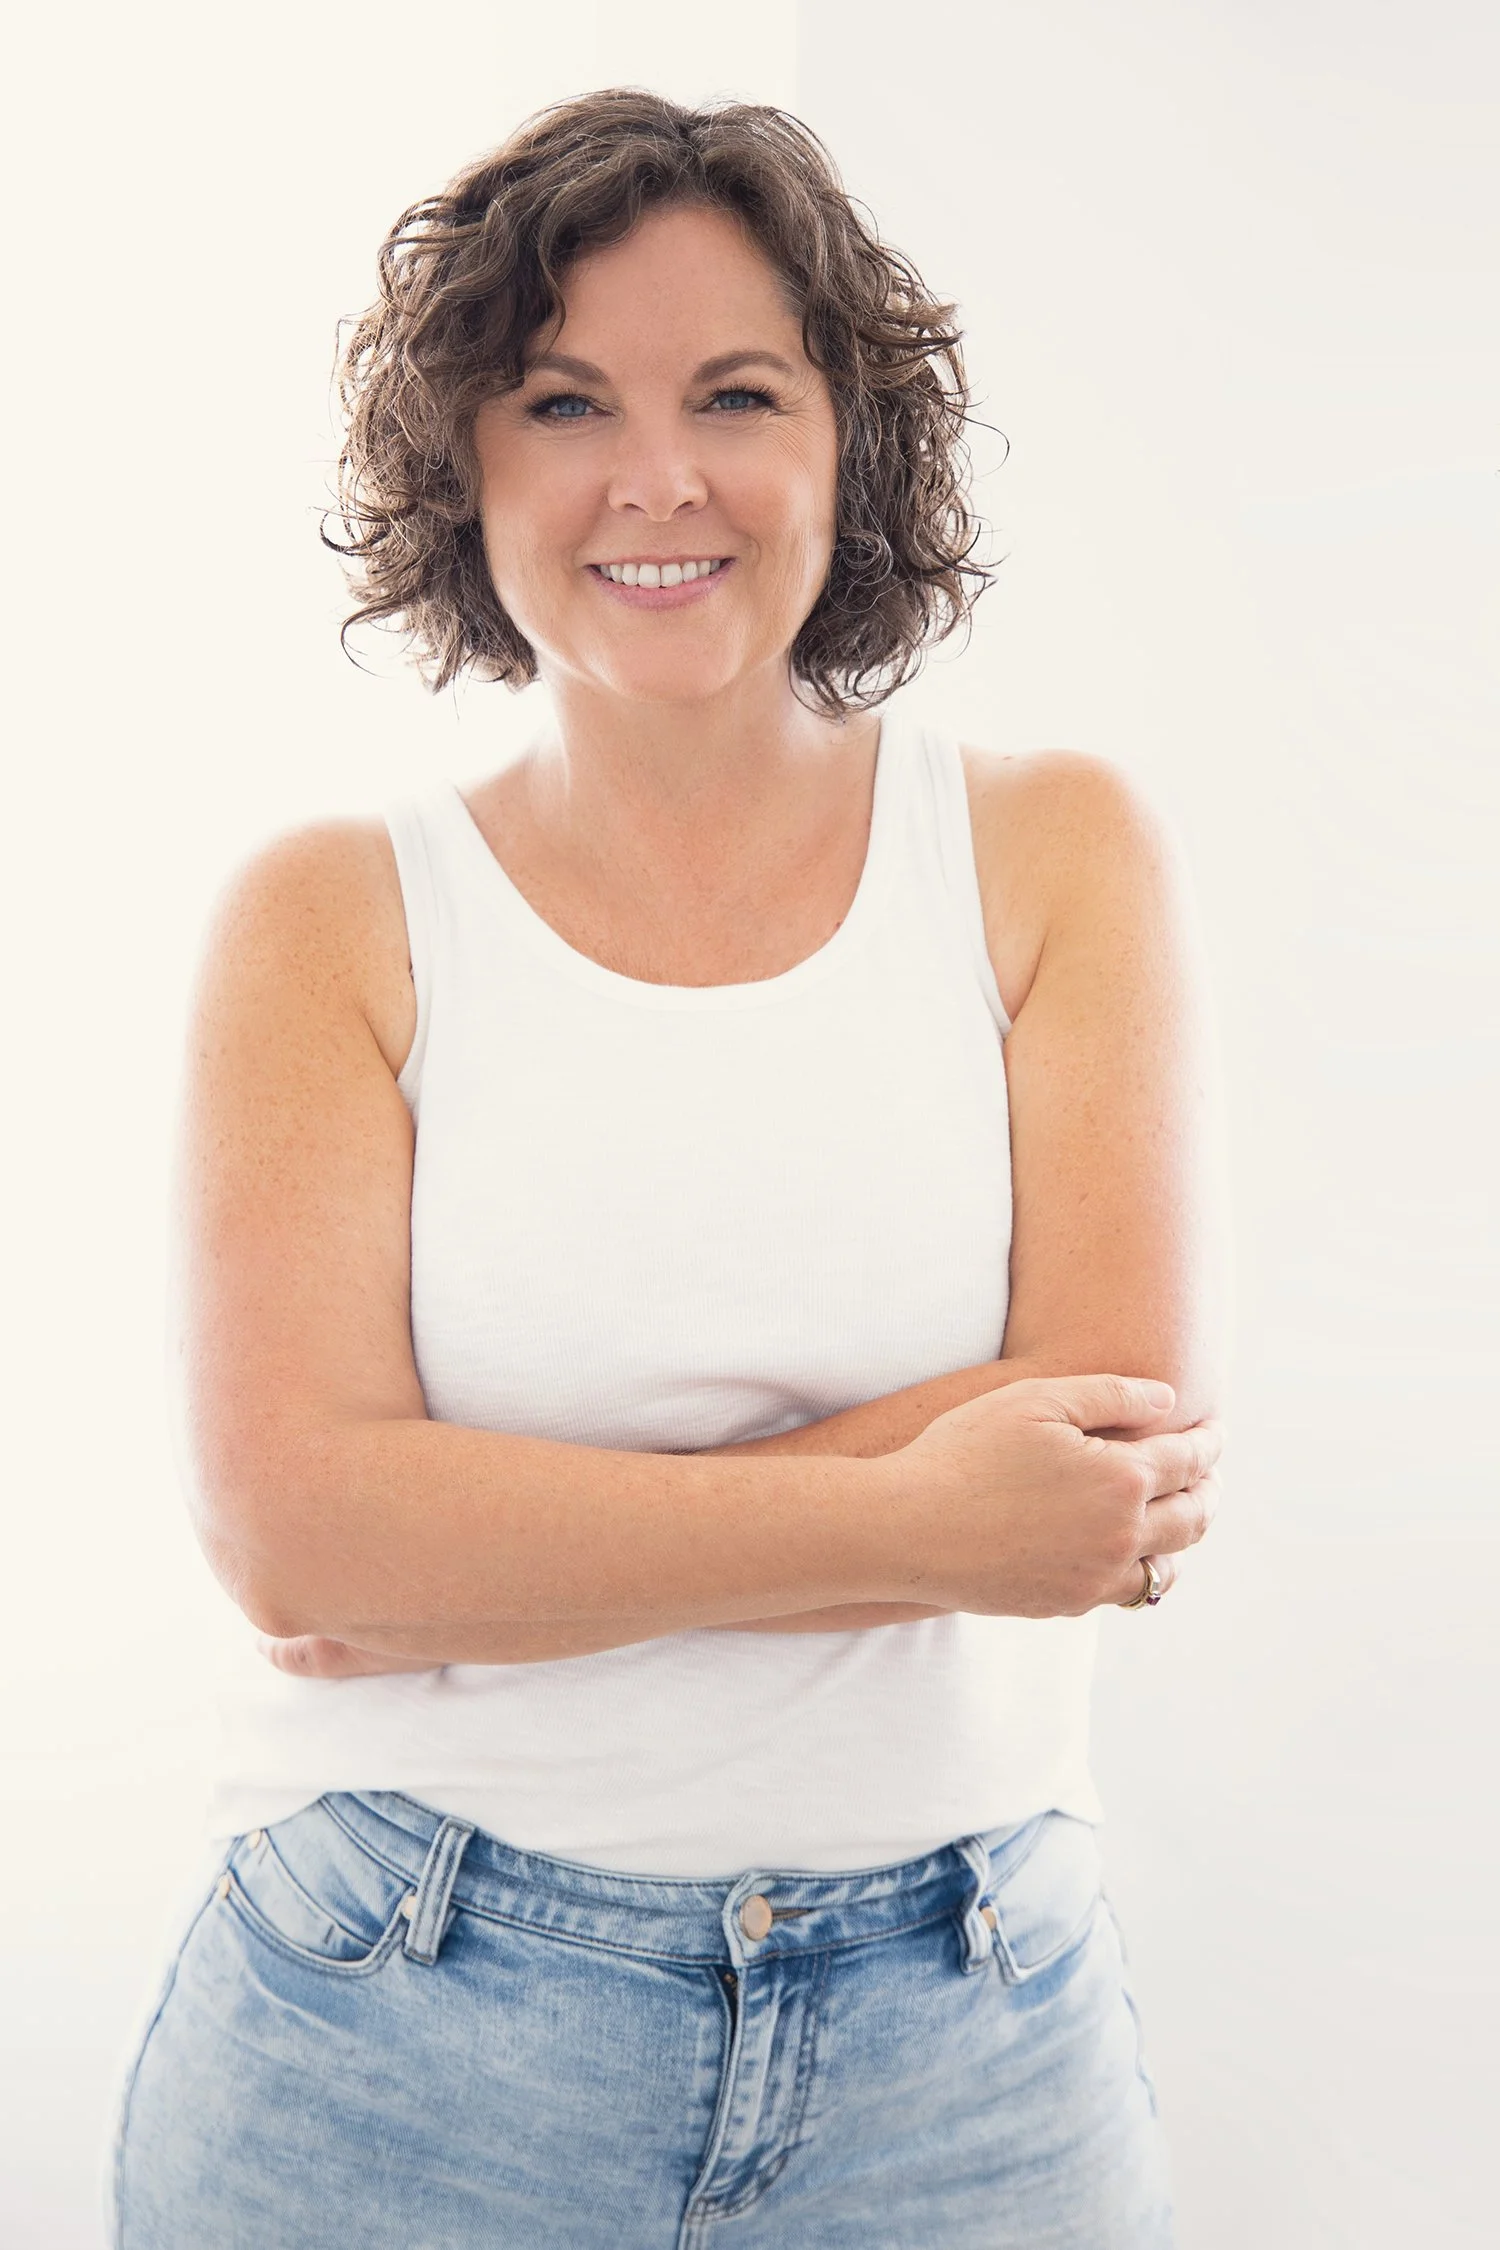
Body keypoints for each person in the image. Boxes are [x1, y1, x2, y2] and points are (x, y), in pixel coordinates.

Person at [110, 89, 1226, 2249]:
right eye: (565, 403)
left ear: (851, 441)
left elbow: (1105, 1457)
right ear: (464, 465)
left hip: (971, 2051)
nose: (658, 479)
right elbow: (299, 1537)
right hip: (395, 2038)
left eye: (737, 394)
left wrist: (473, 1555)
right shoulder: (329, 916)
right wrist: (918, 1512)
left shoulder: (1051, 853)